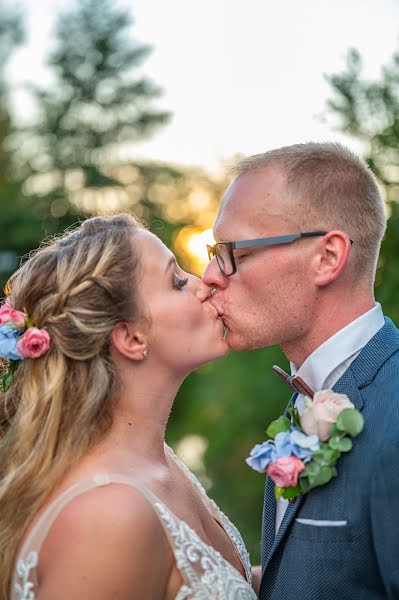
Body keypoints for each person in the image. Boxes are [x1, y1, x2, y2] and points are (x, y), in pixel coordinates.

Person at [0, 214, 259, 599]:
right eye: (176, 281)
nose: (202, 284)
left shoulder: (160, 462)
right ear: (130, 337)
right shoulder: (107, 517)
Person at [203, 142, 399, 600]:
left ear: (328, 258)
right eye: (215, 251)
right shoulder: (308, 391)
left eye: (236, 252)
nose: (211, 275)